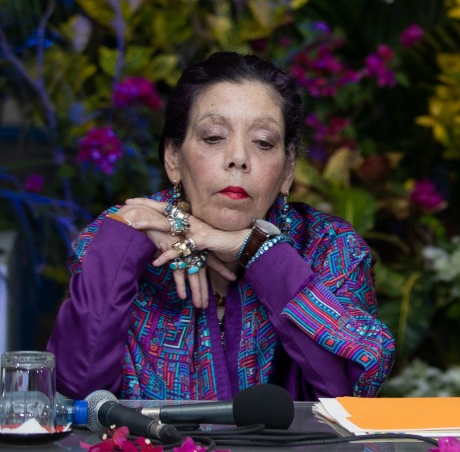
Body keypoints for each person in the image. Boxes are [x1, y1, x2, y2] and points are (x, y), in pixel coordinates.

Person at [48, 52, 395, 401]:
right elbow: (75, 390)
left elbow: (349, 392)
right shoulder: (121, 234)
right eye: (214, 137)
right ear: (173, 158)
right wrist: (125, 240)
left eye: (263, 142)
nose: (238, 158)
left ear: (288, 169)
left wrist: (259, 251)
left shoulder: (330, 247)